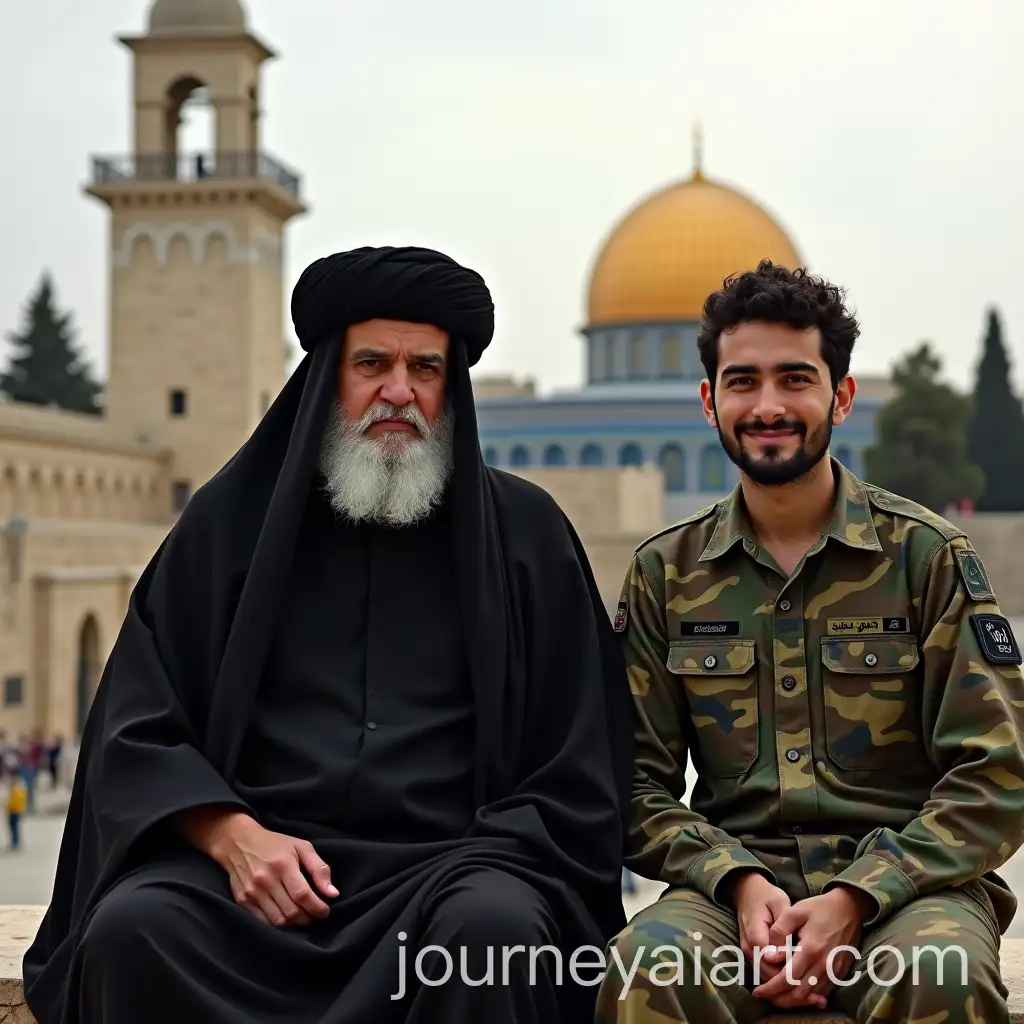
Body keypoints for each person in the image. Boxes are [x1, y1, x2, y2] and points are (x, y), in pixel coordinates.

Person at [24, 246, 633, 1024]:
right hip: (250, 878)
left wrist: (490, 851)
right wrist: (229, 833)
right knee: (135, 930)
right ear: (325, 377)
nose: (398, 391)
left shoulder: (526, 538)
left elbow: (577, 767)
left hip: (450, 876)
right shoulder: (229, 527)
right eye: (372, 363)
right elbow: (136, 727)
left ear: (454, 390)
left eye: (426, 368)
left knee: (494, 934)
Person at [596, 260, 1024, 1024]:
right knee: (649, 969)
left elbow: (996, 775)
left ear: (842, 395)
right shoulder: (666, 574)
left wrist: (860, 895)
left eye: (795, 378)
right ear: (708, 400)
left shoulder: (924, 558)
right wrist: (735, 881)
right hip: (734, 897)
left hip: (911, 894)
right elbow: (631, 785)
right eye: (743, 381)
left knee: (940, 972)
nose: (768, 406)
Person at [5, 771, 27, 851]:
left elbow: (15, 801)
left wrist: (8, 806)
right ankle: (14, 842)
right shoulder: (15, 789)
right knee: (13, 827)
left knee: (14, 827)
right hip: (12, 810)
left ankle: (15, 842)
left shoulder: (17, 789)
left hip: (15, 811)